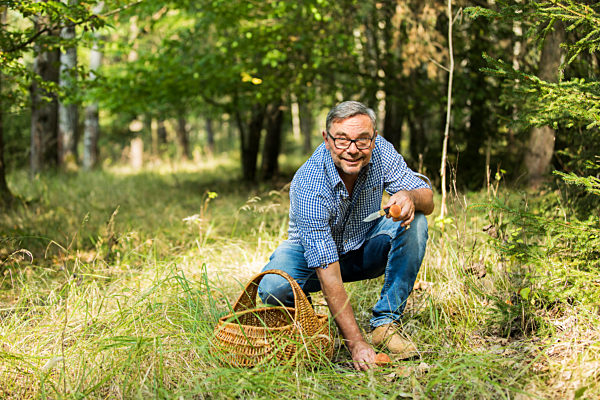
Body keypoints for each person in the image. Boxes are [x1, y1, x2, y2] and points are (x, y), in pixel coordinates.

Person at [257, 101, 434, 371]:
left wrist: (410, 196)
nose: (352, 149)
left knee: (417, 220)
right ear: (326, 140)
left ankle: (385, 324)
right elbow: (327, 269)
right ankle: (311, 320)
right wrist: (355, 343)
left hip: (363, 247)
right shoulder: (309, 182)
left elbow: (429, 201)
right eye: (342, 140)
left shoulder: (381, 151)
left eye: (362, 140)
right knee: (272, 287)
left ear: (374, 139)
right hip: (312, 261)